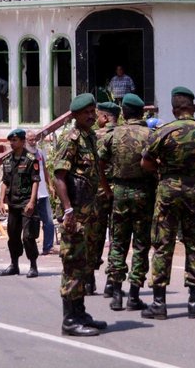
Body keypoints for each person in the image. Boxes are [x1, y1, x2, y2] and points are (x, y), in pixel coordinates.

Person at [140, 86, 195, 320]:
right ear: (193, 108)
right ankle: (194, 303)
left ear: (174, 109)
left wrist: (165, 171)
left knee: (163, 245)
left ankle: (159, 303)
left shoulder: (163, 132)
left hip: (168, 190)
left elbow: (145, 163)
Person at [51, 93, 106, 337]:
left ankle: (80, 312)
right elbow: (59, 176)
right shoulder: (70, 139)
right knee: (73, 263)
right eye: (86, 113)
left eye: (93, 111)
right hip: (75, 214)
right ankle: (69, 320)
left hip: (89, 211)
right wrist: (68, 210)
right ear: (75, 116)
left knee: (84, 264)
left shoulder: (90, 137)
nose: (92, 115)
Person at [99, 93, 155, 311]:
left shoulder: (113, 134)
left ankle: (115, 292)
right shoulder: (150, 135)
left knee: (118, 242)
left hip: (120, 191)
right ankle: (134, 294)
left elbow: (100, 164)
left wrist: (106, 188)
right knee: (141, 244)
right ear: (141, 112)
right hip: (144, 192)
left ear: (123, 113)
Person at [0, 128, 41, 278]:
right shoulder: (7, 160)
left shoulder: (30, 159)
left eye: (15, 140)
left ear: (23, 142)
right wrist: (1, 199)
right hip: (13, 204)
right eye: (11, 140)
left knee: (28, 236)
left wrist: (32, 201)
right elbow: (5, 181)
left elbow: (36, 181)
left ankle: (33, 265)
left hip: (26, 203)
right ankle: (14, 264)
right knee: (13, 236)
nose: (12, 143)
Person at [91, 101, 118, 296]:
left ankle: (88, 279)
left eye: (99, 115)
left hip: (98, 192)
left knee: (94, 235)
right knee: (117, 237)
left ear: (106, 117)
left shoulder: (94, 136)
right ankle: (112, 282)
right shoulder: (124, 134)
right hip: (120, 192)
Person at [27, 129, 56, 255]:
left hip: (43, 193)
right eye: (30, 140)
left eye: (35, 139)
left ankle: (48, 246)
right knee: (31, 223)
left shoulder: (39, 153)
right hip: (30, 195)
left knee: (49, 221)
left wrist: (50, 185)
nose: (33, 142)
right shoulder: (24, 155)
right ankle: (29, 247)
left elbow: (44, 169)